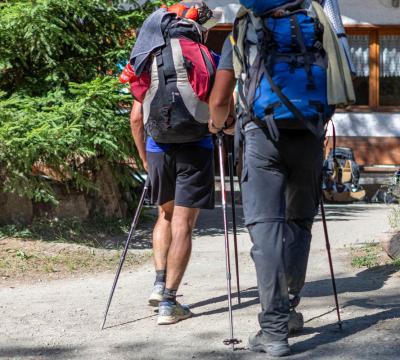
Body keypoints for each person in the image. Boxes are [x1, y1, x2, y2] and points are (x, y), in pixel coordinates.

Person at [208, 0, 354, 356]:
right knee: (299, 223)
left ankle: (273, 331)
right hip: (309, 134)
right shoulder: (316, 25)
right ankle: (288, 309)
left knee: (267, 229)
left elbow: (218, 99)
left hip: (261, 138)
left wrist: (221, 125)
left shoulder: (244, 30)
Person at [129, 1, 221, 325]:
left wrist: (144, 157)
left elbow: (137, 117)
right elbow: (221, 105)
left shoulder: (149, 55)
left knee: (164, 215)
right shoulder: (207, 57)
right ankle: (169, 303)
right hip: (195, 145)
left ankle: (158, 283)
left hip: (157, 146)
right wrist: (222, 126)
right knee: (184, 222)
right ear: (199, 29)